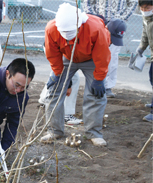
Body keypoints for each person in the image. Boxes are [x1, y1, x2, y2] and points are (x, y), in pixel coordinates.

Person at [40, 3, 111, 146]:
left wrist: (99, 78)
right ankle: (55, 131)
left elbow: (102, 56)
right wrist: (58, 73)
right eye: (64, 32)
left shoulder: (95, 28)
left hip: (91, 57)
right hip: (67, 57)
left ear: (79, 24)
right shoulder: (51, 28)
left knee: (95, 94)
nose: (67, 35)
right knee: (54, 91)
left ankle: (94, 133)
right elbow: (52, 54)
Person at [83, 0, 138, 98]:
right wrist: (94, 17)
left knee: (111, 58)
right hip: (98, 22)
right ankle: (93, 83)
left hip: (116, 25)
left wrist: (121, 18)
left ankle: (107, 86)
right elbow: (87, 2)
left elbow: (133, 3)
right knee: (94, 55)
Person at [39, 44, 82, 125]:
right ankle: (66, 114)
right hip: (56, 48)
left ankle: (44, 99)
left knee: (55, 75)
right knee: (73, 77)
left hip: (53, 46)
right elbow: (65, 70)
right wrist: (68, 86)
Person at [131, 0, 153, 122]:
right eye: (142, 8)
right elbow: (145, 35)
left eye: (147, 7)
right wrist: (140, 49)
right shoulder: (147, 18)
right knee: (152, 78)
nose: (144, 10)